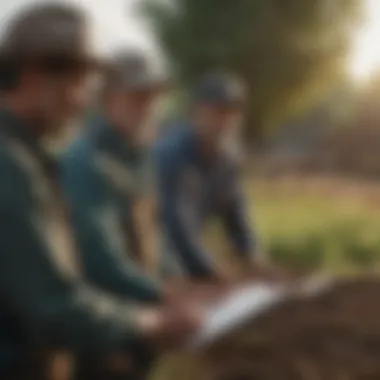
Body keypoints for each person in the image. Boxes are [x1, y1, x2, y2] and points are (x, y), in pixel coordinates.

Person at [0, 3, 200, 379]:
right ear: (32, 74)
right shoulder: (9, 165)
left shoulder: (26, 157)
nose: (82, 101)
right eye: (77, 83)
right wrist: (149, 322)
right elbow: (52, 305)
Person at [60, 50, 164, 304]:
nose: (148, 108)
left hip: (137, 303)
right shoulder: (85, 161)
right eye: (137, 98)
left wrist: (176, 281)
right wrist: (164, 294)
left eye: (152, 98)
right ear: (107, 99)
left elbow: (155, 233)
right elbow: (100, 261)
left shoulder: (137, 155)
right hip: (100, 313)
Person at [155, 72, 264, 281]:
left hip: (187, 259)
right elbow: (177, 227)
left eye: (232, 113)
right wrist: (211, 272)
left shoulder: (228, 159)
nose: (225, 121)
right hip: (157, 257)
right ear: (196, 112)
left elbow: (236, 214)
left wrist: (252, 257)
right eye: (218, 112)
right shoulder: (171, 155)